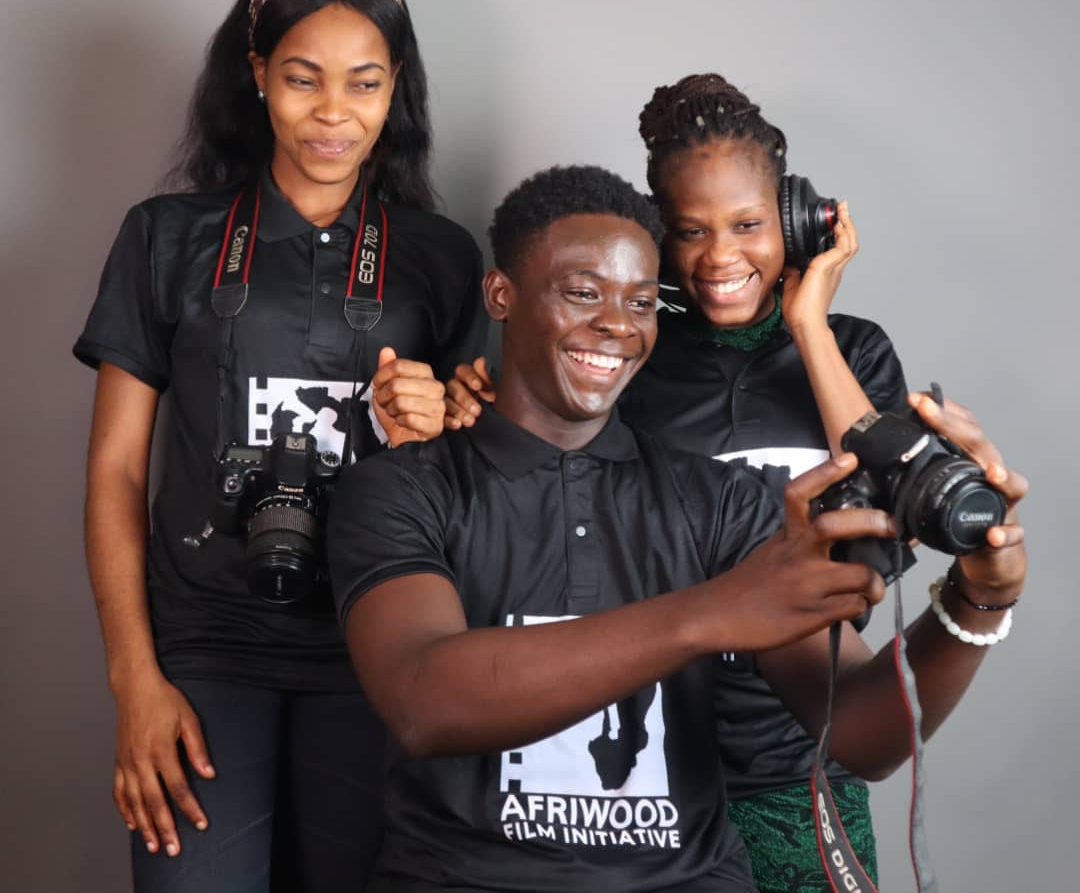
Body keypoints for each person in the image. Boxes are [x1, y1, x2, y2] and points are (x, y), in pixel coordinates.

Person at [328, 165, 1027, 893]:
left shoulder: (719, 503)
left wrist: (978, 600)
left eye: (640, 301)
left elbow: (860, 733)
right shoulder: (403, 488)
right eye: (584, 293)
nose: (618, 324)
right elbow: (424, 700)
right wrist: (709, 614)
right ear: (501, 295)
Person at [74, 0, 486, 893]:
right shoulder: (165, 237)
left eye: (364, 82)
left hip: (381, 643)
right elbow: (116, 471)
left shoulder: (441, 257)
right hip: (205, 643)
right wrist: (134, 680)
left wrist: (440, 427)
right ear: (257, 74)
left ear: (395, 88)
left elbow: (481, 483)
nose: (334, 112)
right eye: (304, 79)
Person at [444, 73, 904, 891]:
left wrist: (808, 326)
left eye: (749, 225)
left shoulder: (854, 352)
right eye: (691, 231)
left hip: (802, 752)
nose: (721, 256)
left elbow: (884, 541)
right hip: (657, 747)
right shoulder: (630, 359)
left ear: (797, 219)